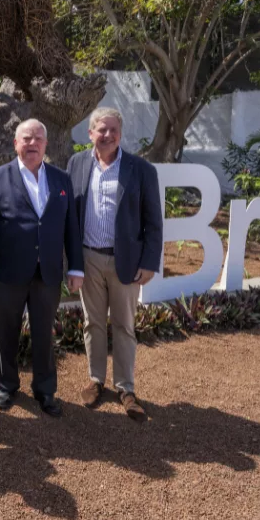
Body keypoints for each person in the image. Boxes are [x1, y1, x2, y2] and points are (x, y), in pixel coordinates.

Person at [0, 119, 84, 417]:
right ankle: (7, 385)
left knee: (44, 334)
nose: (32, 143)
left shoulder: (61, 179)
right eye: (26, 138)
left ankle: (45, 389)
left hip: (47, 273)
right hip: (8, 272)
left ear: (46, 144)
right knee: (6, 331)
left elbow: (71, 228)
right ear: (16, 144)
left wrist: (75, 267)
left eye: (38, 138)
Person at [68, 108, 164, 420]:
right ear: (90, 133)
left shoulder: (141, 169)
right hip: (88, 258)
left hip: (126, 261)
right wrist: (71, 262)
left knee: (124, 325)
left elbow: (154, 221)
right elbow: (70, 216)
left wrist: (149, 262)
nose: (107, 135)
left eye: (113, 130)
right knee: (92, 323)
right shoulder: (77, 163)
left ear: (120, 134)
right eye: (101, 129)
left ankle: (125, 387)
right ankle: (96, 380)